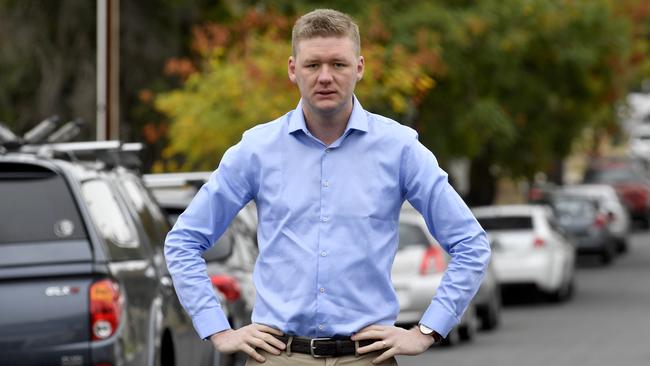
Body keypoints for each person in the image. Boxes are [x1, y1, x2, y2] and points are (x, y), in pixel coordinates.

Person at [165, 8, 491, 366]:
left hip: (366, 357)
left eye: (338, 64)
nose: (325, 77)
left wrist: (428, 330)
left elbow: (470, 243)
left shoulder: (400, 149)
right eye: (312, 65)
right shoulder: (256, 150)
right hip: (278, 356)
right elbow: (183, 242)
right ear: (293, 69)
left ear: (359, 67)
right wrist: (218, 329)